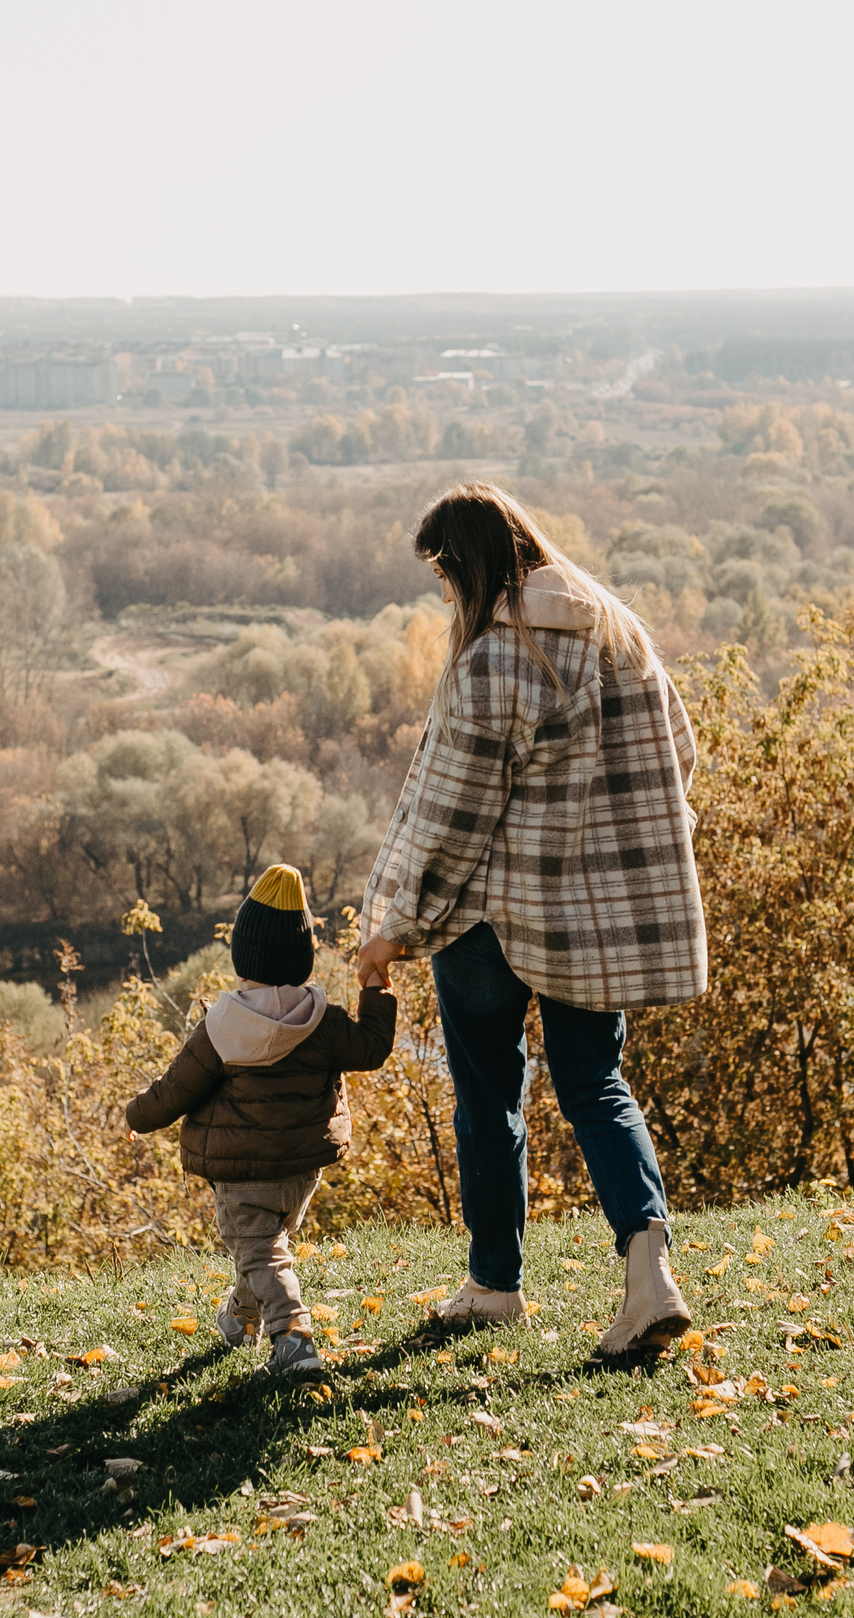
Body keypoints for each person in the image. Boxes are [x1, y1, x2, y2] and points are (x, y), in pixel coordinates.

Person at [357, 482, 706, 1362]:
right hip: (594, 922)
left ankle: (495, 1284)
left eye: (444, 575)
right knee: (597, 1084)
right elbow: (681, 753)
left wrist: (394, 924)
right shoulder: (621, 633)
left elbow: (450, 811)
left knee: (487, 1095)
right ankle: (649, 1273)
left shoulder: (495, 657)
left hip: (492, 919)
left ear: (468, 563)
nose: (444, 595)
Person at [126, 864, 397, 1378]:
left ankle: (293, 1339)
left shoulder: (223, 1026)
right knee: (264, 1249)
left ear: (242, 956)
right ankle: (240, 1318)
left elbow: (174, 1090)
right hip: (301, 1170)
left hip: (243, 1173)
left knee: (261, 1251)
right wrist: (376, 987)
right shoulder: (323, 1019)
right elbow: (373, 1048)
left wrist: (136, 1115)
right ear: (303, 958)